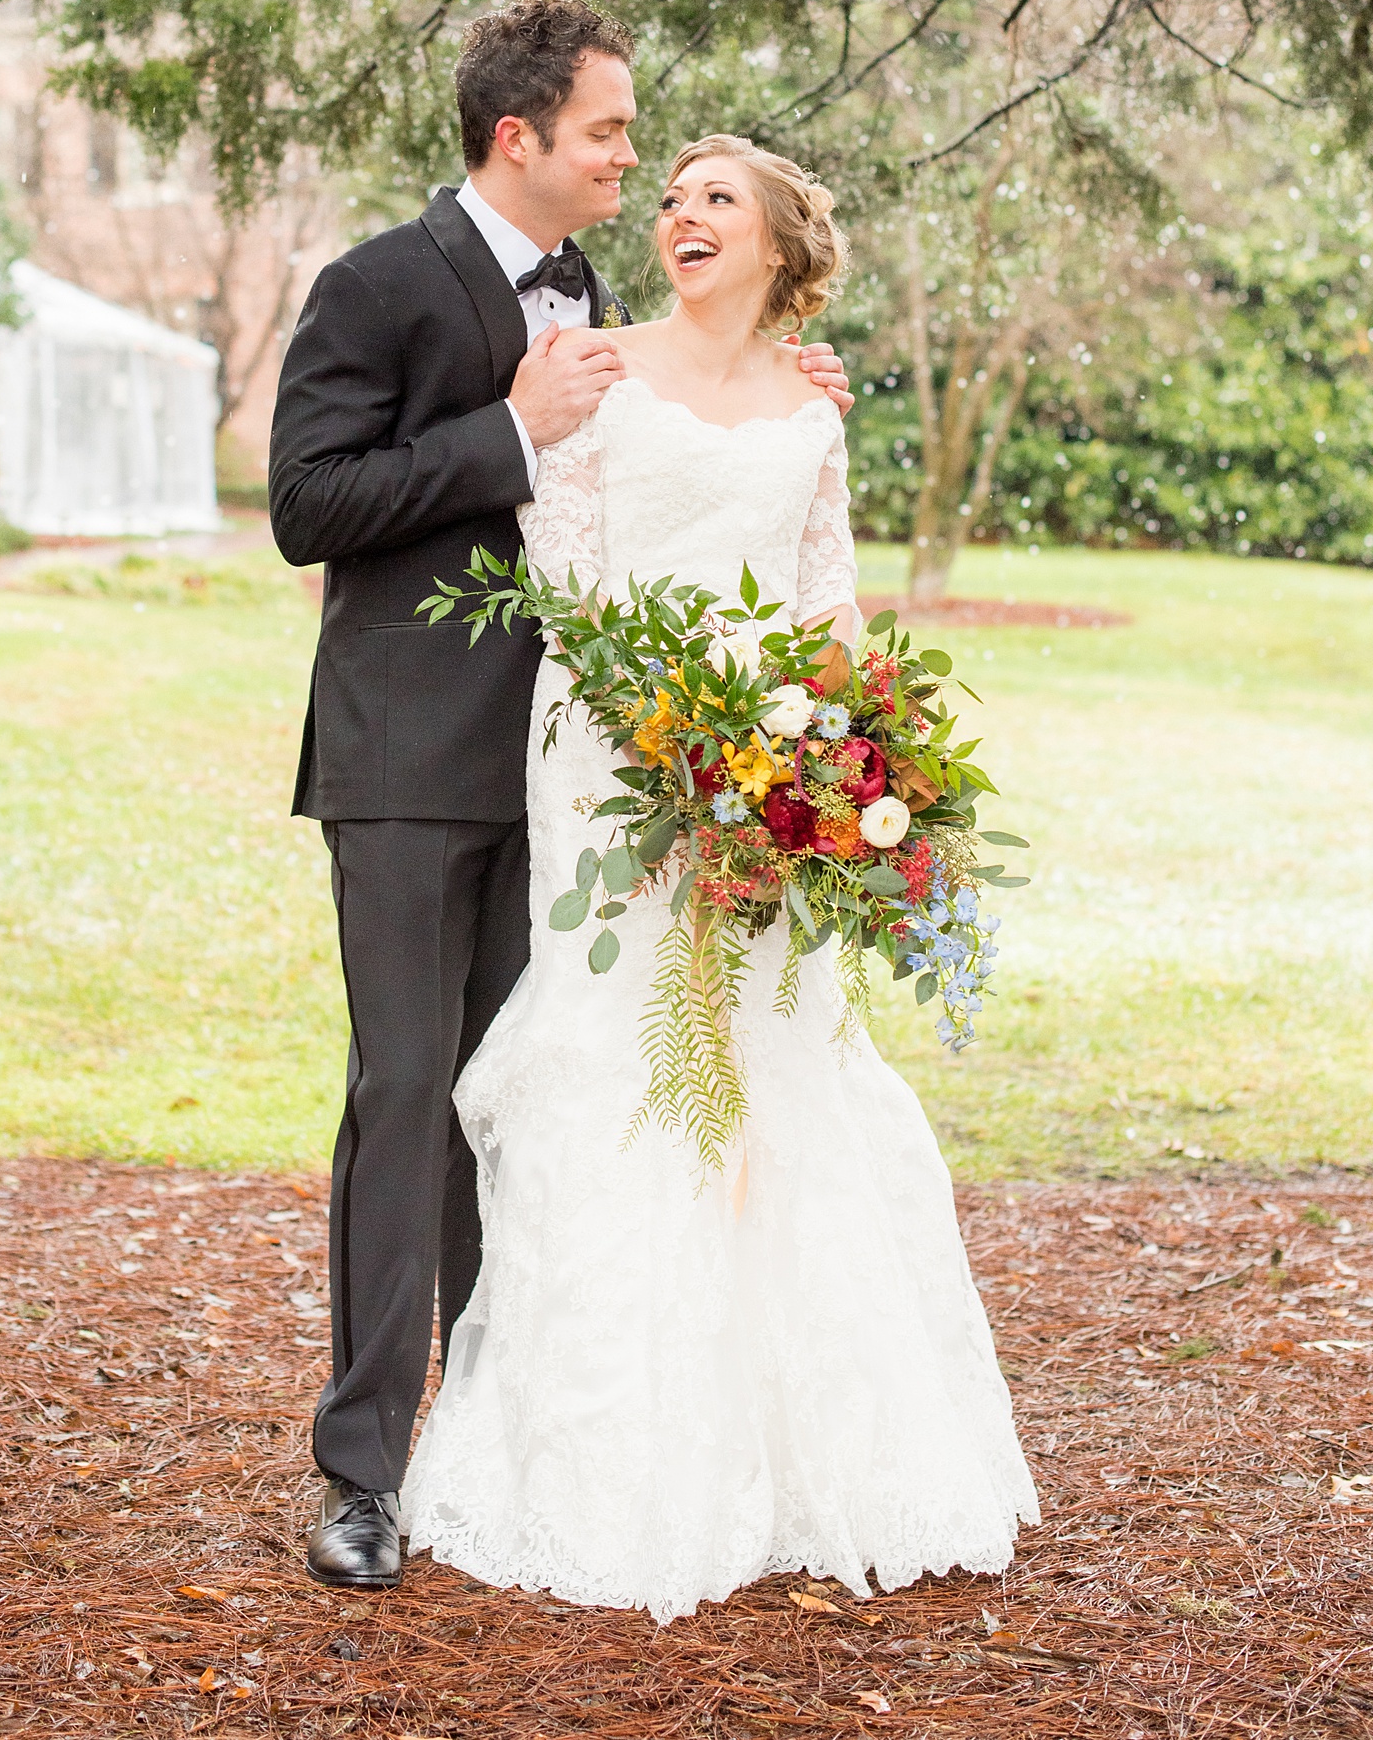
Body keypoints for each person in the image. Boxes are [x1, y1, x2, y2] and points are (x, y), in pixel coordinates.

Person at [399, 134, 1039, 1621]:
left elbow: (827, 602)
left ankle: (798, 1447)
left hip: (774, 774)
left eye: (715, 200)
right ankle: (610, 1451)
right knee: (626, 1061)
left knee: (780, 1057)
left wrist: (842, 767)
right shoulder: (593, 361)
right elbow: (562, 576)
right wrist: (673, 748)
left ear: (776, 245)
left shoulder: (812, 409)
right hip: (616, 749)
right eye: (672, 195)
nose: (680, 213)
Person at [268, 0, 853, 1589]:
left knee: (523, 1105)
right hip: (404, 765)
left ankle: (501, 1433)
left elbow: (674, 426)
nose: (630, 159)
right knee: (405, 1095)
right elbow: (307, 505)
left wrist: (782, 374)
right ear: (517, 137)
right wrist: (507, 432)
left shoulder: (595, 289)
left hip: (582, 781)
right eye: (608, 132)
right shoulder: (377, 282)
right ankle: (365, 1471)